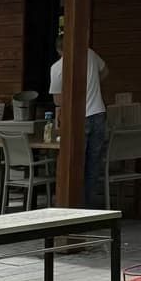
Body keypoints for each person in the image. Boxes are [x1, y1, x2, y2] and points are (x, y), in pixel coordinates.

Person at [49, 36, 110, 207]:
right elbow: (105, 71)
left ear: (59, 51)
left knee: (76, 162)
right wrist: (93, 84)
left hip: (78, 118)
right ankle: (89, 204)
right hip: (98, 112)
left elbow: (58, 100)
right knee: (94, 162)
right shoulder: (89, 53)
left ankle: (74, 204)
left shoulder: (57, 68)